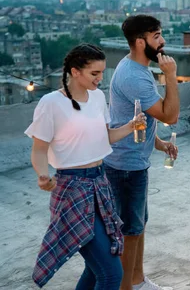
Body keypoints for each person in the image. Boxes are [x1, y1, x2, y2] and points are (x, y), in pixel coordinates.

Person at [27, 44, 147, 289]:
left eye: (102, 72)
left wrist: (131, 126)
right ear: (75, 71)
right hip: (72, 189)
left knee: (96, 271)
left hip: (101, 185)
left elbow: (105, 137)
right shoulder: (51, 103)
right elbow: (39, 149)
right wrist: (42, 175)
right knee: (112, 273)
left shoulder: (98, 97)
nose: (100, 79)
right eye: (94, 73)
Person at [104, 15, 179, 290]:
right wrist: (171, 76)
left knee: (138, 226)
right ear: (140, 42)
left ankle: (137, 280)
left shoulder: (137, 67)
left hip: (133, 162)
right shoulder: (134, 76)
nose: (163, 41)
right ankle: (126, 286)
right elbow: (170, 114)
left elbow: (138, 119)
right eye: (157, 36)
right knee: (129, 232)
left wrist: (158, 143)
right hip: (124, 167)